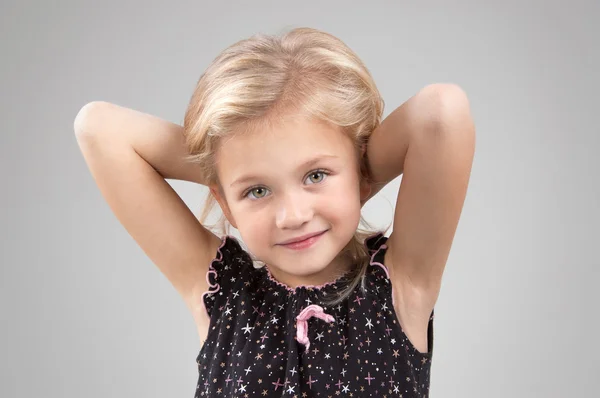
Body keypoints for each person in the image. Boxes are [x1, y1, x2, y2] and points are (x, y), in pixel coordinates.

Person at [74, 27, 475, 397]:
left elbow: (440, 112)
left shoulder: (401, 287)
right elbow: (98, 129)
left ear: (359, 176)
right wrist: (229, 160)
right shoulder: (222, 294)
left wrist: (352, 179)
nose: (293, 215)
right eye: (258, 190)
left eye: (316, 175)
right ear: (226, 203)